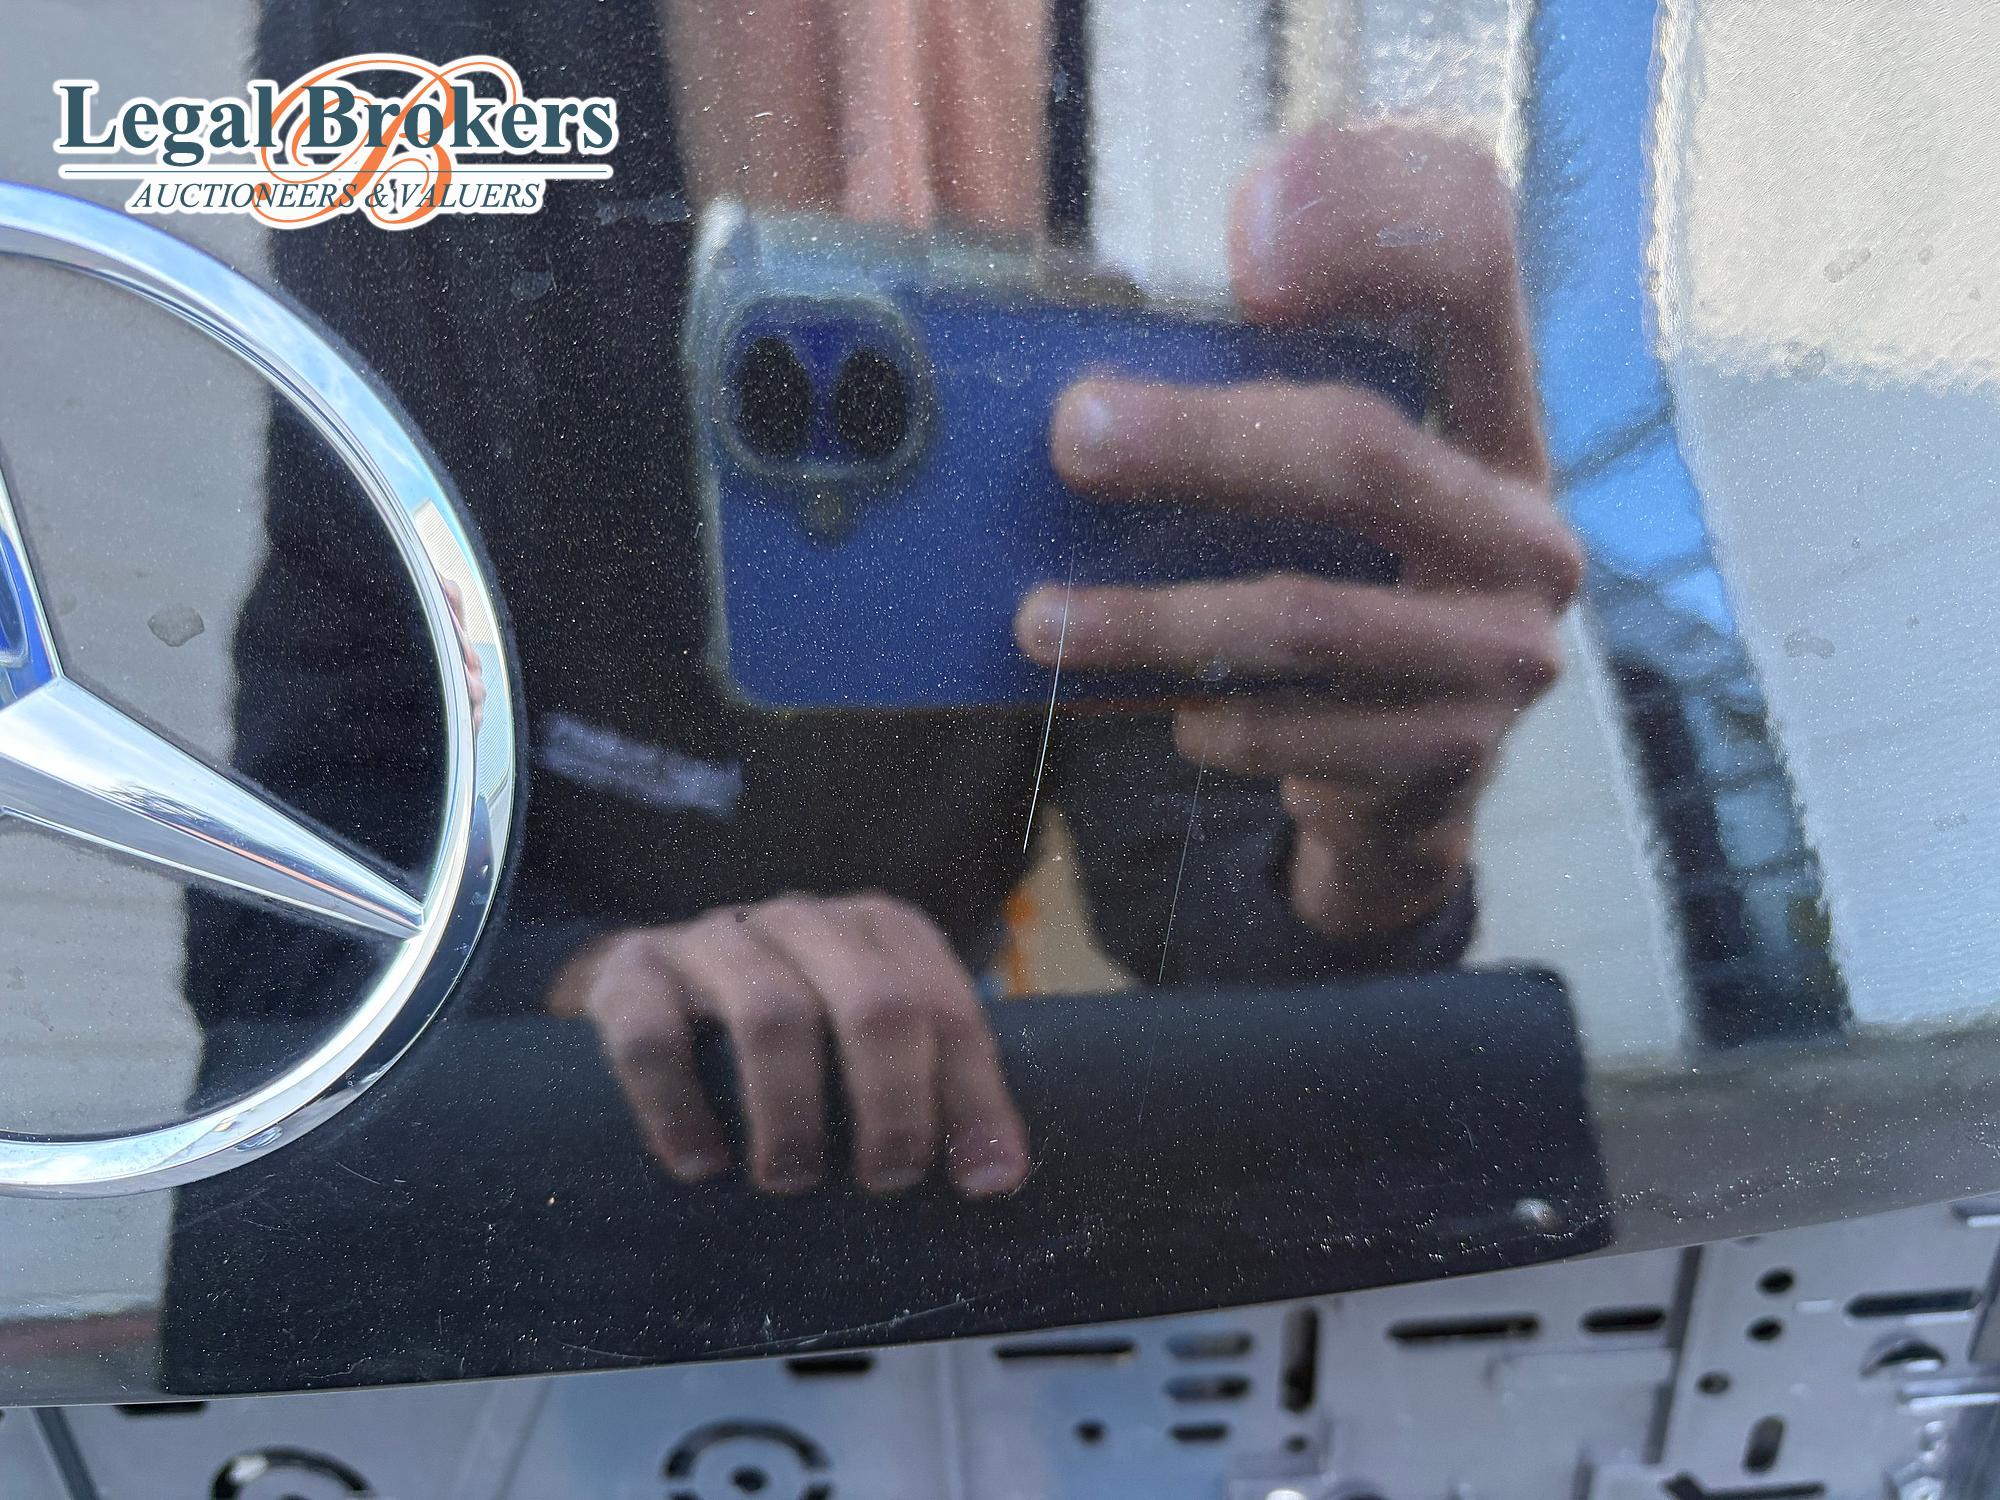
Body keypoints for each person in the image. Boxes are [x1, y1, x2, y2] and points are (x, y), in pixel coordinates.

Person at [187, 0, 1578, 1203]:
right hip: (541, 1128)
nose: (888, 172)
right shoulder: (412, 74)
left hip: (897, 1111)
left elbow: (1194, 872)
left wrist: (1380, 843)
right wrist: (584, 976)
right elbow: (279, 913)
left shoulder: (1173, 85)